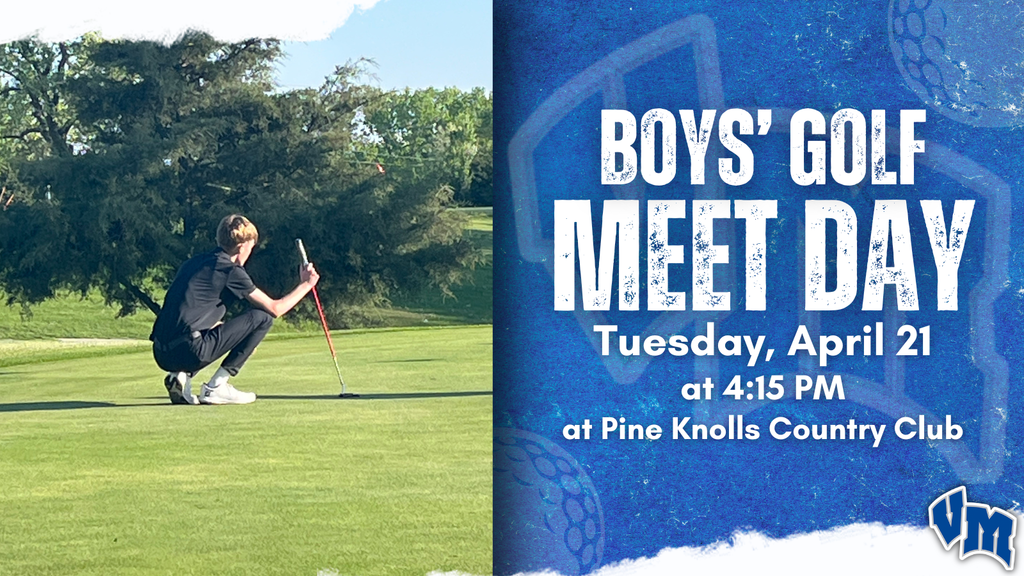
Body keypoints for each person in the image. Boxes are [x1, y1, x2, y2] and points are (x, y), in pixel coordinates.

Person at [149, 214, 319, 405]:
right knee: (263, 318)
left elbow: (191, 310)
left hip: (161, 353)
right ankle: (216, 387)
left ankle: (180, 376)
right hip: (191, 351)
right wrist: (306, 284)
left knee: (216, 329)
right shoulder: (231, 271)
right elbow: (274, 308)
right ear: (243, 246)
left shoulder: (193, 263)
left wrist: (237, 339)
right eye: (251, 247)